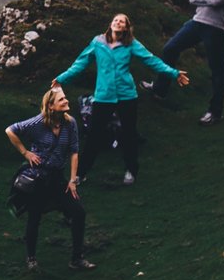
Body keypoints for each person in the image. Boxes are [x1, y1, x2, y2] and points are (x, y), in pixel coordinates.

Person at [53, 12, 188, 185]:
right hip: (103, 97)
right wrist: (61, 79)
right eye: (116, 20)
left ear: (126, 27)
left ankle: (131, 171)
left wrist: (174, 73)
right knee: (94, 136)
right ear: (110, 24)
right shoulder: (98, 42)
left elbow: (151, 60)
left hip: (127, 96)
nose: (118, 22)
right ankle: (80, 174)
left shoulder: (131, 44)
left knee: (129, 134)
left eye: (122, 21)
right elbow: (80, 63)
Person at [5, 85, 90, 271]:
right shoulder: (38, 123)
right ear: (50, 106)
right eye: (61, 100)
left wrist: (73, 180)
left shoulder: (70, 123)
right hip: (39, 178)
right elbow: (10, 130)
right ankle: (31, 258)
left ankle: (77, 259)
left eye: (65, 98)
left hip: (58, 179)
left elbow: (74, 152)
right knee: (34, 218)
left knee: (78, 212)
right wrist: (26, 153)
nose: (66, 101)